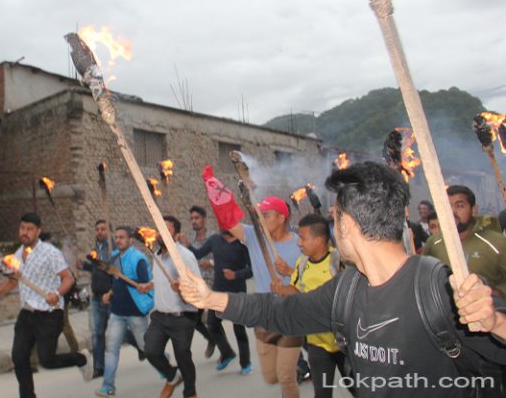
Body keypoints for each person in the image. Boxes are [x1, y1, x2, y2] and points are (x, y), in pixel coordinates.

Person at [179, 162, 506, 398]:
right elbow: (284, 311)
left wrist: (495, 322)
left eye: (335, 217)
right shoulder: (347, 288)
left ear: (346, 225)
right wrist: (211, 299)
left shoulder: (441, 288)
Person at [0, 212, 91, 398]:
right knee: (19, 357)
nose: (25, 232)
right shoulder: (18, 254)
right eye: (22, 228)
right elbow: (13, 279)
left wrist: (56, 293)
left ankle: (81, 358)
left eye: (30, 229)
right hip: (27, 314)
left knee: (47, 360)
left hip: (49, 314)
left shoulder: (50, 253)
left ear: (38, 231)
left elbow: (68, 278)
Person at [271, 214, 351, 398]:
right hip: (317, 344)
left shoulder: (339, 261)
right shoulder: (302, 263)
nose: (299, 243)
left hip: (344, 343)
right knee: (321, 394)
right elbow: (296, 291)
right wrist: (281, 289)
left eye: (303, 238)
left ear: (320, 240)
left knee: (359, 389)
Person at [231, 196, 303, 398]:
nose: (261, 219)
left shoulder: (300, 244)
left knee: (285, 377)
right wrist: (216, 191)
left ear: (281, 217)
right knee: (271, 377)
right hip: (263, 316)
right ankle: (292, 371)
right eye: (260, 215)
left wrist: (289, 272)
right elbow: (228, 221)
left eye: (266, 215)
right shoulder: (254, 236)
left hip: (290, 317)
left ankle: (290, 373)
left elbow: (311, 280)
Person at [138, 216, 202, 398]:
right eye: (159, 229)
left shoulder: (185, 257)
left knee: (183, 356)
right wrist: (149, 285)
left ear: (177, 235)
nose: (161, 233)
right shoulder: (157, 255)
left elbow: (198, 287)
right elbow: (160, 279)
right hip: (160, 315)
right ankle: (173, 376)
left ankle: (190, 392)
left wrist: (181, 288)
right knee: (150, 351)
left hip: (182, 316)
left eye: (166, 229)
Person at [182, 227, 253, 375]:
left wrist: (236, 274)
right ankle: (227, 353)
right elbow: (198, 254)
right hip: (218, 291)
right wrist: (188, 245)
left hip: (237, 293)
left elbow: (252, 269)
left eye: (225, 223)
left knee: (239, 329)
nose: (222, 226)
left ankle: (245, 363)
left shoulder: (243, 243)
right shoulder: (215, 239)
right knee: (213, 324)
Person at [95, 226, 153, 397]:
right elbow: (115, 282)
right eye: (116, 237)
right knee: (111, 349)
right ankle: (108, 386)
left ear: (130, 240)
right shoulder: (114, 257)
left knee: (147, 348)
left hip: (135, 312)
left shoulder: (138, 259)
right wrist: (110, 293)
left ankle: (164, 364)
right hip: (117, 312)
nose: (118, 240)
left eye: (122, 237)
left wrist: (124, 278)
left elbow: (144, 284)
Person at [423, 185, 506, 298]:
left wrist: (495, 294)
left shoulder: (496, 242)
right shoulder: (433, 243)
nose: (452, 212)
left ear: (473, 209)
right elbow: (425, 280)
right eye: (447, 206)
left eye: (460, 206)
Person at [78, 220, 115, 379]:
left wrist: (112, 292)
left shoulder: (113, 249)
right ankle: (99, 367)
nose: (99, 231)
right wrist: (84, 265)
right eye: (97, 229)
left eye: (103, 229)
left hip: (111, 296)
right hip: (97, 297)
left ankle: (141, 347)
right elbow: (96, 268)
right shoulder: (96, 249)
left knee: (122, 332)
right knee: (97, 334)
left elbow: (113, 270)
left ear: (109, 231)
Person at [188, 205, 217, 358]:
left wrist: (211, 263)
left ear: (204, 219)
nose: (194, 221)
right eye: (192, 218)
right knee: (194, 319)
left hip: (213, 282)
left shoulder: (213, 237)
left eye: (197, 218)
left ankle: (224, 349)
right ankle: (212, 339)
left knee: (214, 320)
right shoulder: (189, 240)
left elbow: (225, 257)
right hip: (197, 285)